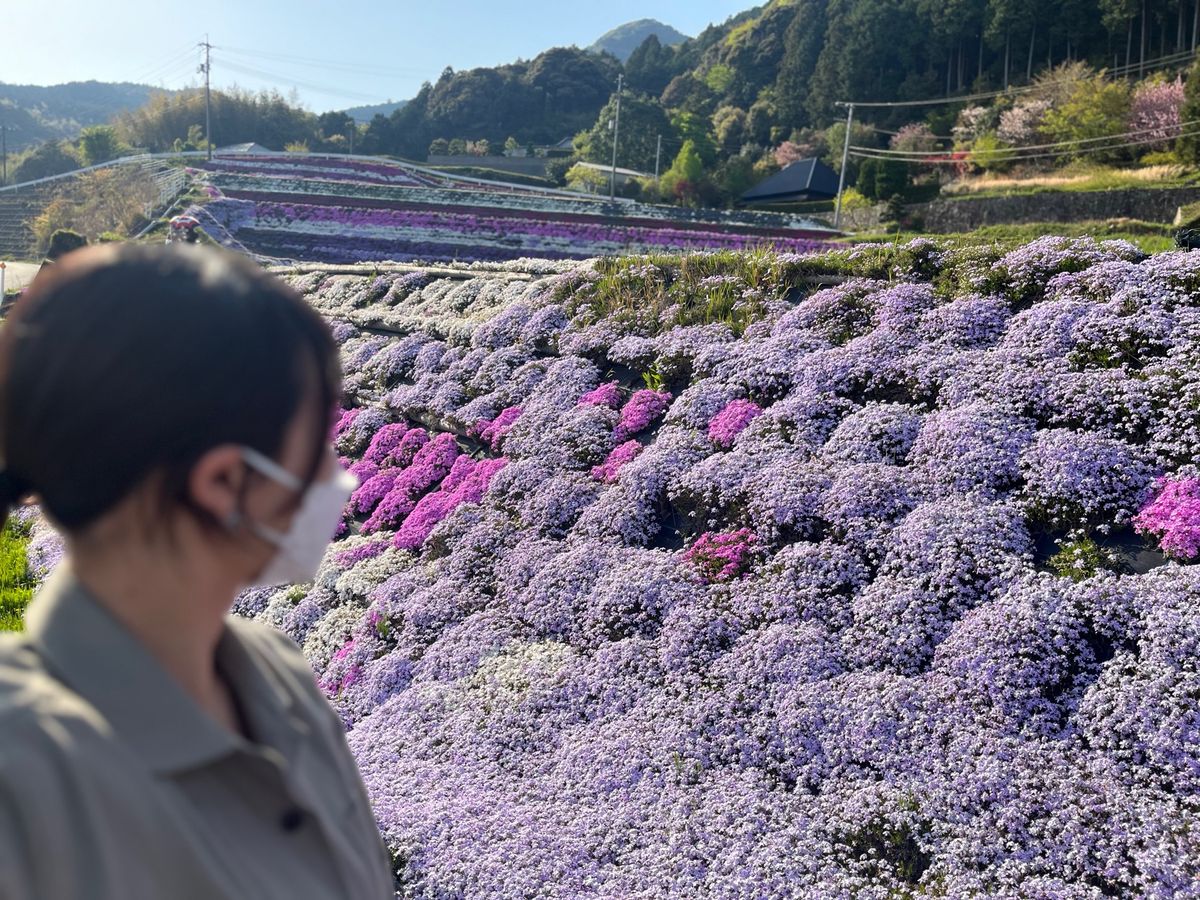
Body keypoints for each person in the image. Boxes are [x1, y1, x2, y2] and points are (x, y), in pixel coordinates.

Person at [0, 245, 395, 899]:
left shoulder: (278, 680)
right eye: (317, 442)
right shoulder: (24, 775)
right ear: (224, 482)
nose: (337, 476)